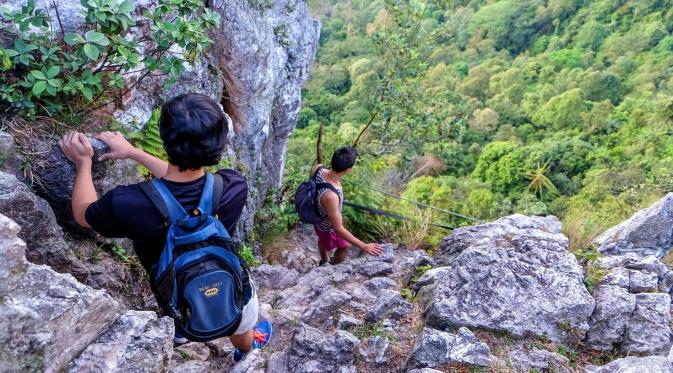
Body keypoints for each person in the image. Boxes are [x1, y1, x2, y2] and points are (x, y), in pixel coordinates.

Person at [59, 93, 270, 362]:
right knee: (242, 323)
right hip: (230, 284)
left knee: (180, 306)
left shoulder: (129, 203)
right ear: (219, 145)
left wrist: (84, 163)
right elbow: (186, 184)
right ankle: (245, 351)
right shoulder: (232, 186)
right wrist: (134, 153)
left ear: (164, 139)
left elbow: (83, 213)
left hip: (175, 295)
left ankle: (181, 332)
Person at [312, 146, 384, 265]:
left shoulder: (318, 169)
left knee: (321, 238)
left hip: (316, 217)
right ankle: (331, 265)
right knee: (344, 246)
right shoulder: (331, 196)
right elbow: (338, 229)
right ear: (348, 170)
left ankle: (324, 260)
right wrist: (364, 246)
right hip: (327, 226)